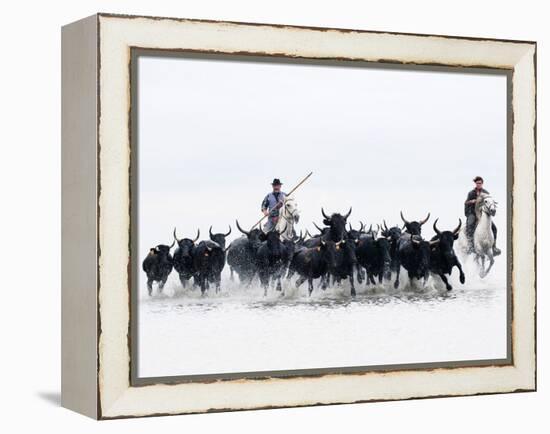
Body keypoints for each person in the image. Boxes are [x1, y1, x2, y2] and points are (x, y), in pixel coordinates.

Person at [464, 176, 500, 256]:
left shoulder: (485, 192)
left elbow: (489, 203)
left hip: (483, 213)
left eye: (480, 183)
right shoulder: (471, 193)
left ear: (482, 183)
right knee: (470, 225)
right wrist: (471, 202)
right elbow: (466, 203)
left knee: (494, 228)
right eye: (477, 183)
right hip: (473, 213)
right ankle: (470, 246)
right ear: (475, 183)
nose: (478, 184)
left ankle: (494, 247)